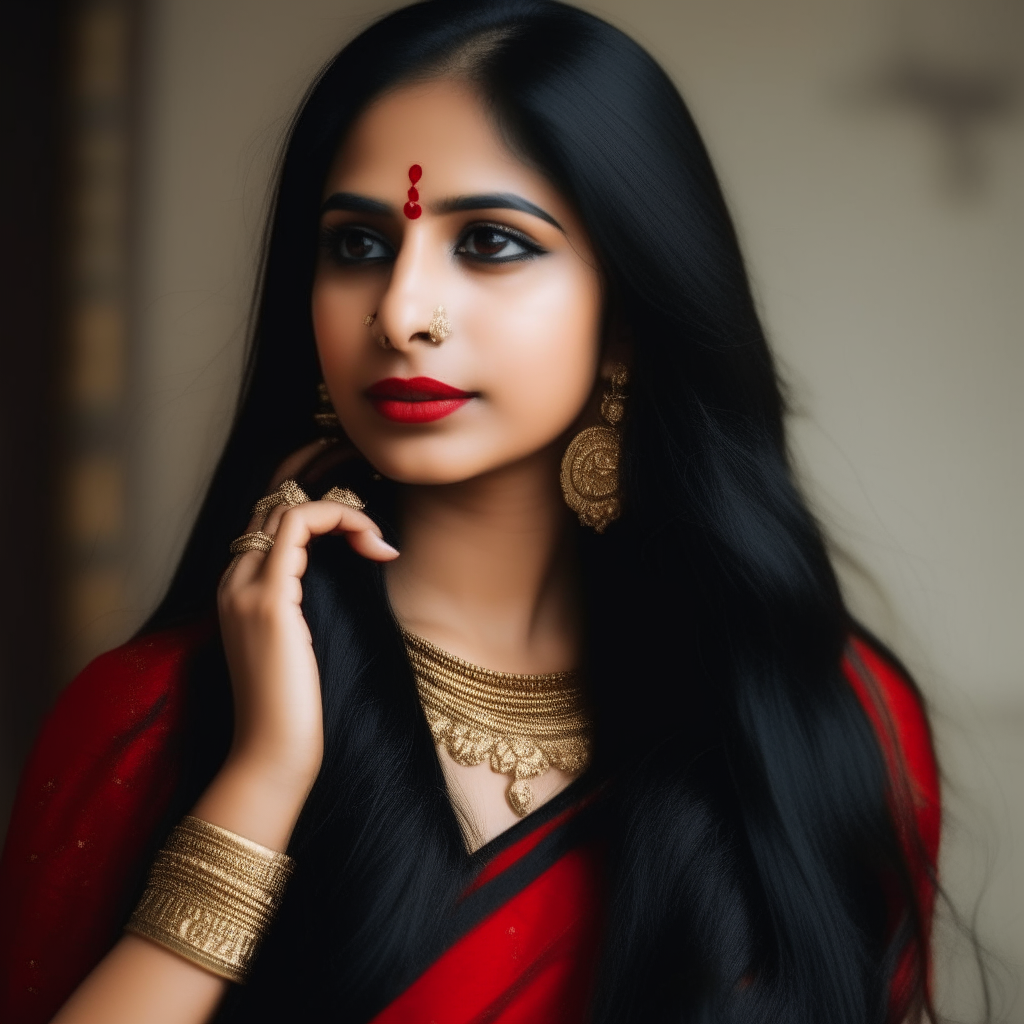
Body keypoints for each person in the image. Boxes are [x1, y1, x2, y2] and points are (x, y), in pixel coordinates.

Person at [0, 1, 940, 1021]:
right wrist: (262, 781)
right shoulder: (155, 718)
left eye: (490, 241)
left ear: (628, 303)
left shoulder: (819, 719)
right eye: (356, 244)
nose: (402, 314)